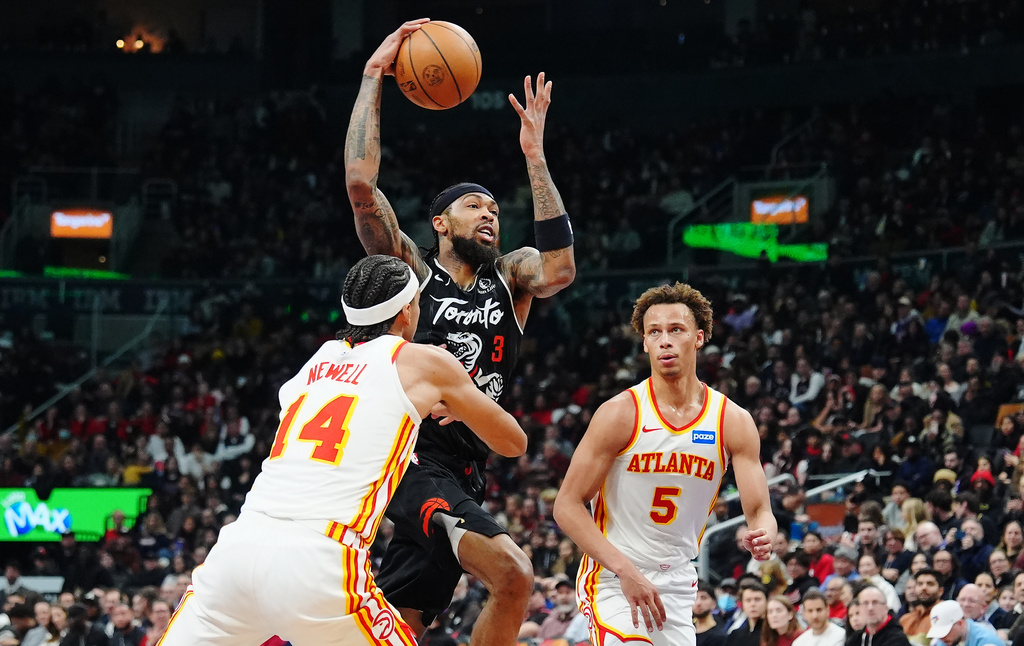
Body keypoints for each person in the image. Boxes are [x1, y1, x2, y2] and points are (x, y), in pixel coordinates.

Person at [345, 19, 576, 645]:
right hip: (413, 458)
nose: (491, 215)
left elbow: (560, 266)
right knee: (513, 574)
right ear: (440, 223)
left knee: (403, 626)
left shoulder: (511, 277)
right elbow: (362, 189)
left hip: (468, 467)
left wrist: (535, 157)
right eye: (476, 207)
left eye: (495, 210)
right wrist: (373, 77)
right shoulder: (411, 272)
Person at [158, 255, 527, 646]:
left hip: (234, 551)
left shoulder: (318, 360)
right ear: (407, 310)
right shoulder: (425, 362)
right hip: (318, 557)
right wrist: (455, 403)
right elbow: (512, 442)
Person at [554, 283, 776, 645]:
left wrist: (765, 534)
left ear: (699, 337)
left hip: (677, 582)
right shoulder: (620, 413)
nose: (664, 340)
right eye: (654, 332)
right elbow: (566, 505)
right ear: (644, 342)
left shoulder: (731, 420)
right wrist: (626, 571)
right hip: (615, 577)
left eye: (676, 330)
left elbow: (760, 511)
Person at [925, 600, 1003, 646]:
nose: (941, 638)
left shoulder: (987, 641)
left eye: (945, 632)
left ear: (960, 623)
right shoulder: (946, 641)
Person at [695, 581, 727, 646]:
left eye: (703, 598)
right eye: (694, 598)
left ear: (713, 604)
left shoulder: (719, 636)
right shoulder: (686, 629)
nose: (698, 603)